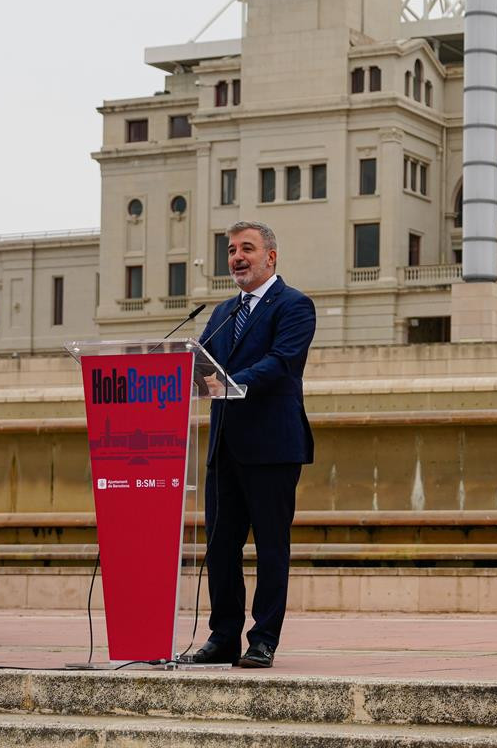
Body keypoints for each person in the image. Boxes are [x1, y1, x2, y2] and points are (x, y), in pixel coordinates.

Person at [182, 220, 316, 669]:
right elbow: (201, 364)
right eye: (232, 250)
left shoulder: (295, 305)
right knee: (221, 548)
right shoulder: (220, 314)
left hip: (273, 448)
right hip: (223, 447)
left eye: (247, 249)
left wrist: (231, 382)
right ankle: (223, 637)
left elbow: (282, 363)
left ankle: (263, 640)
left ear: (270, 257)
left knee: (271, 547)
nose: (237, 257)